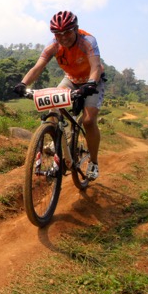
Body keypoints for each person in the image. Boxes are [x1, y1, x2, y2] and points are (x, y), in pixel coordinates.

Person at [14, 11, 105, 180]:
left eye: (67, 32)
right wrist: (23, 84)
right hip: (70, 79)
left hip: (93, 81)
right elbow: (38, 67)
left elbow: (95, 65)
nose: (63, 37)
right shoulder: (53, 45)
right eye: (58, 34)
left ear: (76, 29)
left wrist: (91, 83)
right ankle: (57, 139)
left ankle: (93, 162)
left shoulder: (87, 41)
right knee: (52, 105)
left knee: (88, 121)